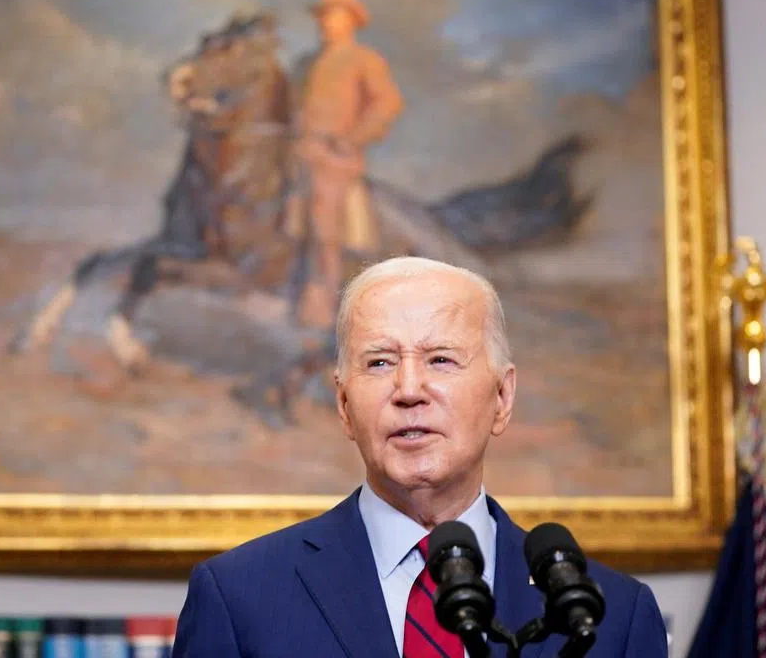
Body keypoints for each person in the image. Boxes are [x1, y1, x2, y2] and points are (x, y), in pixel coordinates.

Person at [171, 255, 669, 657]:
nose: (409, 389)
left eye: (441, 359)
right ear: (344, 404)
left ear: (502, 397)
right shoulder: (239, 598)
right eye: (380, 362)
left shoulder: (614, 617)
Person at [286, 0, 405, 330]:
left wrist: (353, 139)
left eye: (334, 16)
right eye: (323, 16)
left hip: (335, 160)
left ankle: (323, 314)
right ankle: (295, 304)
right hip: (299, 157)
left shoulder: (364, 60)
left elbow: (388, 103)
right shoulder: (305, 64)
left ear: (352, 20)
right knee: (291, 229)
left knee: (325, 230)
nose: (326, 23)